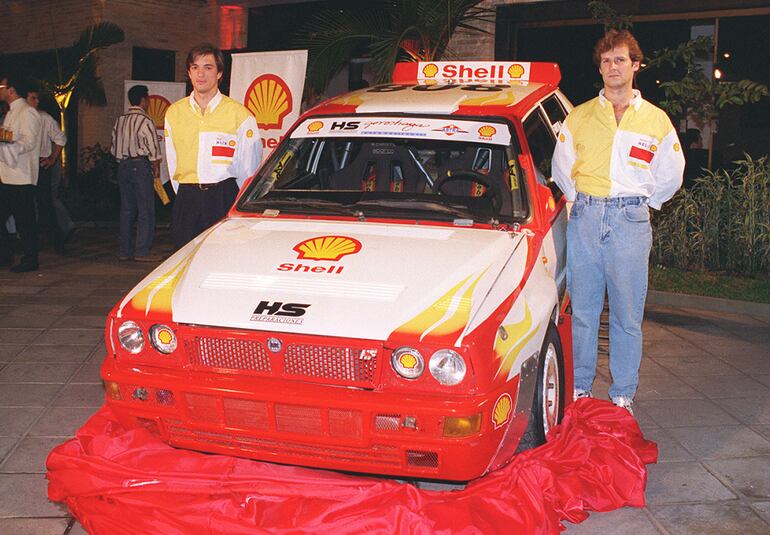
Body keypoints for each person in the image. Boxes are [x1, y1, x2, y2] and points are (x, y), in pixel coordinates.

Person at [552, 29, 685, 415]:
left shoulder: (656, 121)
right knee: (584, 312)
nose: (613, 67)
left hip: (630, 220)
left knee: (628, 315)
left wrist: (646, 204)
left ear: (635, 65)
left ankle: (623, 394)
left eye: (621, 59)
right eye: (606, 60)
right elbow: (562, 169)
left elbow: (672, 173)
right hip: (587, 218)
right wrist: (578, 201)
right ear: (600, 67)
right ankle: (580, 387)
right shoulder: (579, 116)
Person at [164, 43, 262, 249]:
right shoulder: (174, 112)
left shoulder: (240, 115)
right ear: (188, 73)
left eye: (208, 67)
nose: (201, 74)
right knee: (185, 259)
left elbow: (249, 169)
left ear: (219, 74)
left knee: (223, 256)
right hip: (186, 199)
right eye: (195, 67)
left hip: (223, 198)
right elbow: (172, 163)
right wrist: (186, 191)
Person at [110, 84, 162, 262]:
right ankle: (142, 250)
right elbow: (153, 146)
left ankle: (124, 250)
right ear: (143, 100)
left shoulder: (120, 120)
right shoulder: (145, 120)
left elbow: (113, 147)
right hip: (140, 166)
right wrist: (156, 164)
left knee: (126, 209)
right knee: (145, 209)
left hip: (123, 165)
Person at [0, 73, 42, 272]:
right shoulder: (10, 112)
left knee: (24, 220)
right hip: (6, 174)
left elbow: (29, 141)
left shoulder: (27, 112)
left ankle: (30, 258)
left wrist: (9, 146)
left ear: (11, 90)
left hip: (21, 175)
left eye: (1, 87)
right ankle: (6, 255)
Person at [27, 89, 74, 253]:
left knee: (46, 202)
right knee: (29, 205)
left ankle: (57, 239)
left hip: (41, 164)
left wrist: (53, 158)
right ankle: (33, 240)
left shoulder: (44, 118)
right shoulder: (17, 117)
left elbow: (60, 138)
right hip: (24, 166)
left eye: (37, 98)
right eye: (33, 98)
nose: (37, 101)